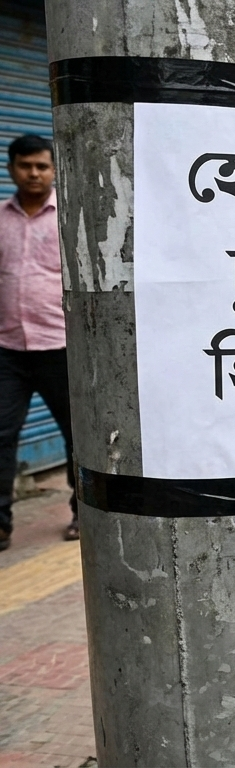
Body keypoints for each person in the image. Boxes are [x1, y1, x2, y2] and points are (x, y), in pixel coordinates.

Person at [0, 135, 76, 548]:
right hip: (8, 349)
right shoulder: (0, 218)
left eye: (42, 166)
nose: (34, 173)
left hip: (59, 346)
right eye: (26, 165)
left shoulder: (68, 217)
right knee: (1, 434)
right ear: (12, 168)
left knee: (76, 435)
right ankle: (1, 523)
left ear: (53, 169)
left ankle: (84, 513)